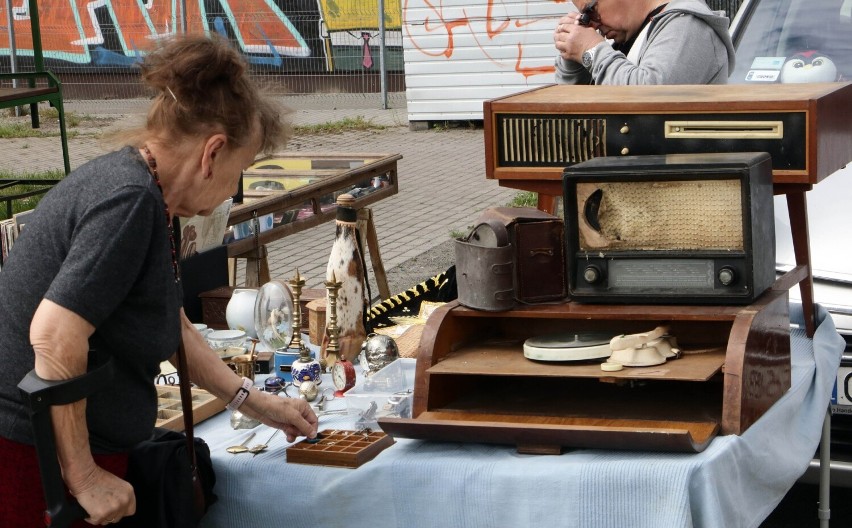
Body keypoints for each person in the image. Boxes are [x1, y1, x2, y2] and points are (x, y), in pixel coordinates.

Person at [0, 34, 318, 527]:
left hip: (52, 456)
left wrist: (253, 402)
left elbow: (170, 324)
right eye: (241, 168)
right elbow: (54, 334)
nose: (233, 187)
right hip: (32, 464)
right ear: (213, 152)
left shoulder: (145, 194)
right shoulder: (128, 201)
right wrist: (83, 477)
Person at [553, 0, 735, 85]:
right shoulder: (634, 35)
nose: (593, 23)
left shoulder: (688, 24)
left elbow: (648, 96)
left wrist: (590, 50)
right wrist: (572, 61)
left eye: (591, 11)